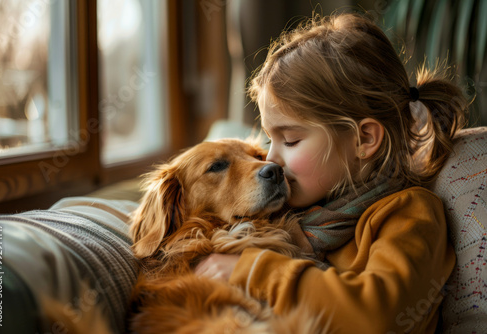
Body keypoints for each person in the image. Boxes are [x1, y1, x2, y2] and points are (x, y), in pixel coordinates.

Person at [195, 12, 468, 333]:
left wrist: (252, 271)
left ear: (364, 139)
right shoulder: (298, 216)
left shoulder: (409, 214)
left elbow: (377, 317)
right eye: (270, 139)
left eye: (291, 140)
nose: (271, 159)